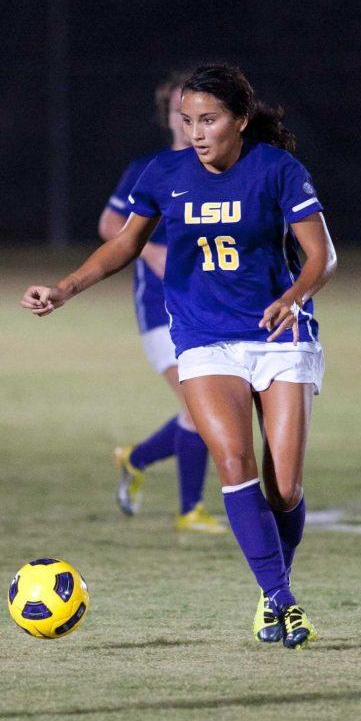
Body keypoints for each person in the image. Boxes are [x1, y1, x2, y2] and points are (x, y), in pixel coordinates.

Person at [22, 62, 337, 649]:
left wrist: (294, 297)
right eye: (187, 119)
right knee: (235, 464)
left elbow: (322, 256)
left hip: (279, 336)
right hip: (203, 338)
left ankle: (274, 587)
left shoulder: (278, 170)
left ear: (240, 120)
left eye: (209, 120)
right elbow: (123, 244)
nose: (196, 132)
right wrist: (63, 289)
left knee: (286, 487)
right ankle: (281, 601)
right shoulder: (162, 173)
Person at [99, 72, 223, 534]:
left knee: (215, 404)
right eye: (178, 109)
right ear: (169, 116)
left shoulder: (220, 169)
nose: (187, 119)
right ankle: (189, 509)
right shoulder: (149, 169)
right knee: (200, 404)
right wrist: (152, 252)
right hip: (160, 307)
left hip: (211, 305)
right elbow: (110, 224)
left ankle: (136, 458)